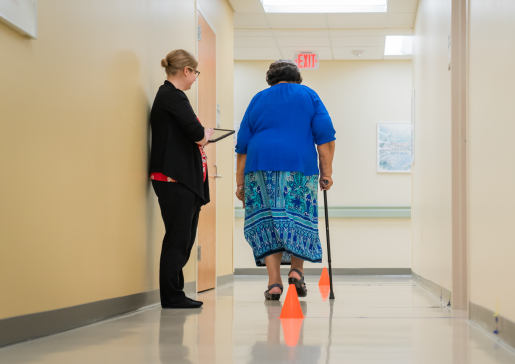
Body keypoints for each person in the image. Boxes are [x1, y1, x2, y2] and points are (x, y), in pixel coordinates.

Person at [235, 59, 336, 300]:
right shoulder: (309, 95)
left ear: (270, 79)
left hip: (259, 164)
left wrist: (240, 183)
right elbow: (325, 138)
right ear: (296, 78)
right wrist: (327, 173)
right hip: (299, 165)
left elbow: (242, 144)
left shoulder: (259, 98)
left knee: (267, 220)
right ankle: (296, 273)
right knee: (299, 216)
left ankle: (274, 284)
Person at [149, 49, 214, 309]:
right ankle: (172, 296)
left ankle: (175, 294)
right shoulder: (173, 96)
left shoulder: (169, 96)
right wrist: (206, 134)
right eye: (195, 72)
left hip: (179, 180)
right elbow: (198, 135)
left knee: (182, 239)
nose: (196, 78)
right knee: (178, 239)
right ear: (186, 70)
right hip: (174, 180)